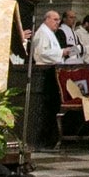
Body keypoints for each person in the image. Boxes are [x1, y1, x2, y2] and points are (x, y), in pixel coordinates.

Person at [30, 9, 71, 149]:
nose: (57, 22)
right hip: (44, 72)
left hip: (52, 71)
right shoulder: (42, 33)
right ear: (46, 19)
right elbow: (42, 53)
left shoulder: (50, 33)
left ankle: (50, 139)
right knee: (46, 109)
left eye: (59, 19)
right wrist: (62, 52)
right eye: (55, 19)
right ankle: (44, 140)